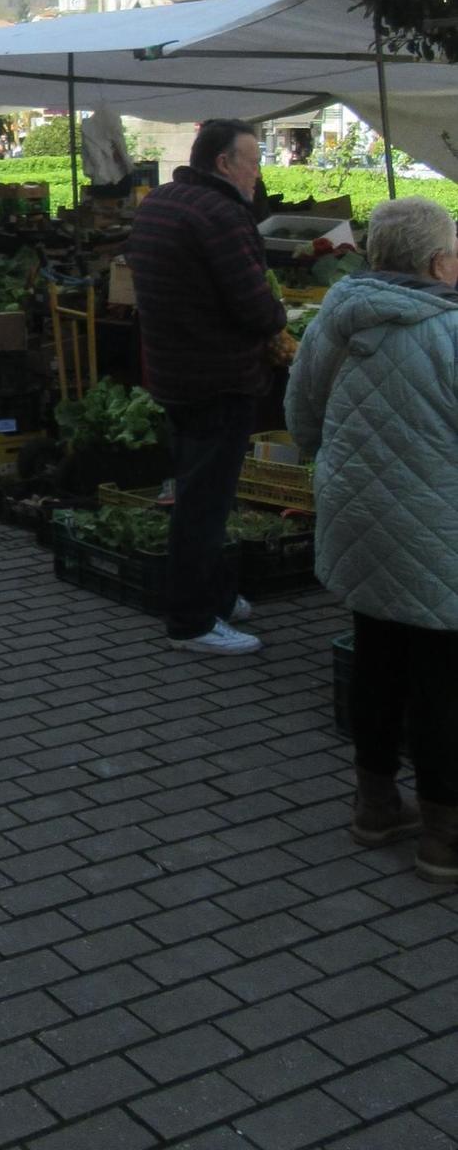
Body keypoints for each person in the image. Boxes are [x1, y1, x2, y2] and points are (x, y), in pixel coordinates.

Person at [285, 196, 458, 882]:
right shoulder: (449, 330)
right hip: (438, 527)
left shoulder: (338, 313)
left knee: (379, 659)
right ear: (439, 260)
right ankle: (444, 836)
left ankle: (375, 803)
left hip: (360, 518)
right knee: (444, 681)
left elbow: (302, 413)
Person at [128, 118, 286, 656]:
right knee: (205, 501)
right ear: (224, 163)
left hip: (175, 372)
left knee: (196, 491)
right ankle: (192, 620)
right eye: (254, 160)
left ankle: (214, 592)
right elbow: (252, 304)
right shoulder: (221, 213)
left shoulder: (162, 201)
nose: (258, 172)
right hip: (218, 376)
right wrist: (277, 315)